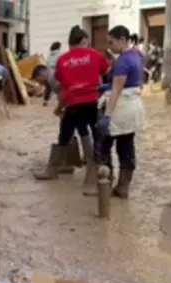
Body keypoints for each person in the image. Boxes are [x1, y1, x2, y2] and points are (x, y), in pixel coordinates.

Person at [33, 26, 110, 195]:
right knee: (94, 136)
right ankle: (93, 177)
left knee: (65, 135)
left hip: (72, 104)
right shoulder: (95, 55)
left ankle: (52, 170)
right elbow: (107, 72)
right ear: (83, 41)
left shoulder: (62, 60)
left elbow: (63, 87)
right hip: (93, 102)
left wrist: (59, 107)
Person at [96, 25, 145, 199]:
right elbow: (134, 83)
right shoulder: (137, 55)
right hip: (133, 106)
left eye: (111, 42)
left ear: (122, 40)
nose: (109, 47)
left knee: (103, 146)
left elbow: (116, 90)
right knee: (126, 147)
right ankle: (123, 187)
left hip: (120, 107)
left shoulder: (123, 60)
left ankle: (106, 184)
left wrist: (107, 116)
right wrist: (107, 86)